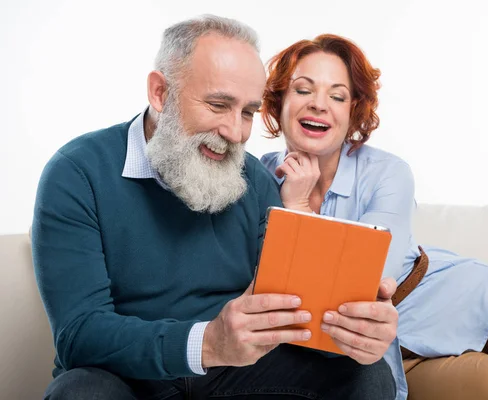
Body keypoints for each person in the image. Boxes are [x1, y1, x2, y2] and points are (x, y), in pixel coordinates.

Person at [31, 16, 399, 400]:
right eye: (218, 104)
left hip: (236, 374)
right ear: (160, 93)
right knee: (81, 393)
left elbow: (294, 304)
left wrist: (356, 330)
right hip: (130, 376)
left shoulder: (254, 180)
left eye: (247, 112)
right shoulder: (78, 172)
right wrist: (206, 343)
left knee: (366, 374)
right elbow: (79, 333)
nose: (235, 132)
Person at [259, 33, 488, 400]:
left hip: (461, 297)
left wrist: (297, 212)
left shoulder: (386, 172)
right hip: (388, 361)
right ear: (279, 101)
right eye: (303, 90)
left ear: (352, 110)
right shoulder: (259, 181)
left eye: (337, 96)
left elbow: (367, 284)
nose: (319, 105)